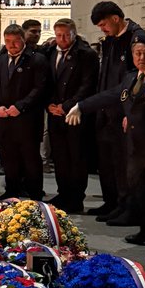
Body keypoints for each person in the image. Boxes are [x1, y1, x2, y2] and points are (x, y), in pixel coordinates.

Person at [69, 35, 145, 261]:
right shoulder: (131, 78)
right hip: (134, 148)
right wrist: (81, 106)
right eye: (137, 53)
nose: (142, 58)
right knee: (139, 194)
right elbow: (109, 96)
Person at [89, 0, 145, 224]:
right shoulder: (111, 40)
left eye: (104, 24)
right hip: (107, 110)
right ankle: (112, 201)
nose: (102, 29)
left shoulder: (135, 37)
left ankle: (129, 207)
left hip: (123, 111)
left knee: (125, 164)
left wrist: (129, 110)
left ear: (115, 18)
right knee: (108, 161)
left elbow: (136, 78)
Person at [0, 23, 48, 200]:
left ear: (23, 40)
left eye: (15, 41)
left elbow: (39, 88)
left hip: (27, 119)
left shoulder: (36, 60)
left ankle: (35, 193)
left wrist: (20, 107)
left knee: (30, 158)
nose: (12, 45)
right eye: (8, 41)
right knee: (8, 157)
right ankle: (12, 190)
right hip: (3, 118)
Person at [45, 18, 98, 213]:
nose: (63, 39)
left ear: (74, 34)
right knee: (59, 157)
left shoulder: (86, 55)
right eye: (59, 35)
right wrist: (49, 104)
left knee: (76, 157)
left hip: (75, 113)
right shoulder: (51, 52)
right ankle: (63, 192)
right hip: (54, 113)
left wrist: (66, 106)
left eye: (66, 35)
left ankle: (76, 198)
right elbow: (46, 81)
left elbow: (88, 84)